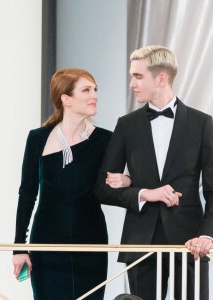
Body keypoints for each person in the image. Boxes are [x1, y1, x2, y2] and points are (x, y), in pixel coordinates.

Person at [96, 45, 213, 300]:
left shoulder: (202, 123)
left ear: (162, 78)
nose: (131, 83)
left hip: (190, 243)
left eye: (138, 76)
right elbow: (102, 189)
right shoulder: (127, 125)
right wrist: (145, 193)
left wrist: (208, 234)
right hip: (140, 242)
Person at [12, 68, 131, 300]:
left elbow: (117, 183)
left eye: (95, 89)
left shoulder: (107, 139)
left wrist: (127, 179)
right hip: (47, 242)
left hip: (91, 240)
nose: (94, 95)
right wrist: (19, 246)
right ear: (65, 99)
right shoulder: (37, 138)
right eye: (86, 90)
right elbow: (27, 193)